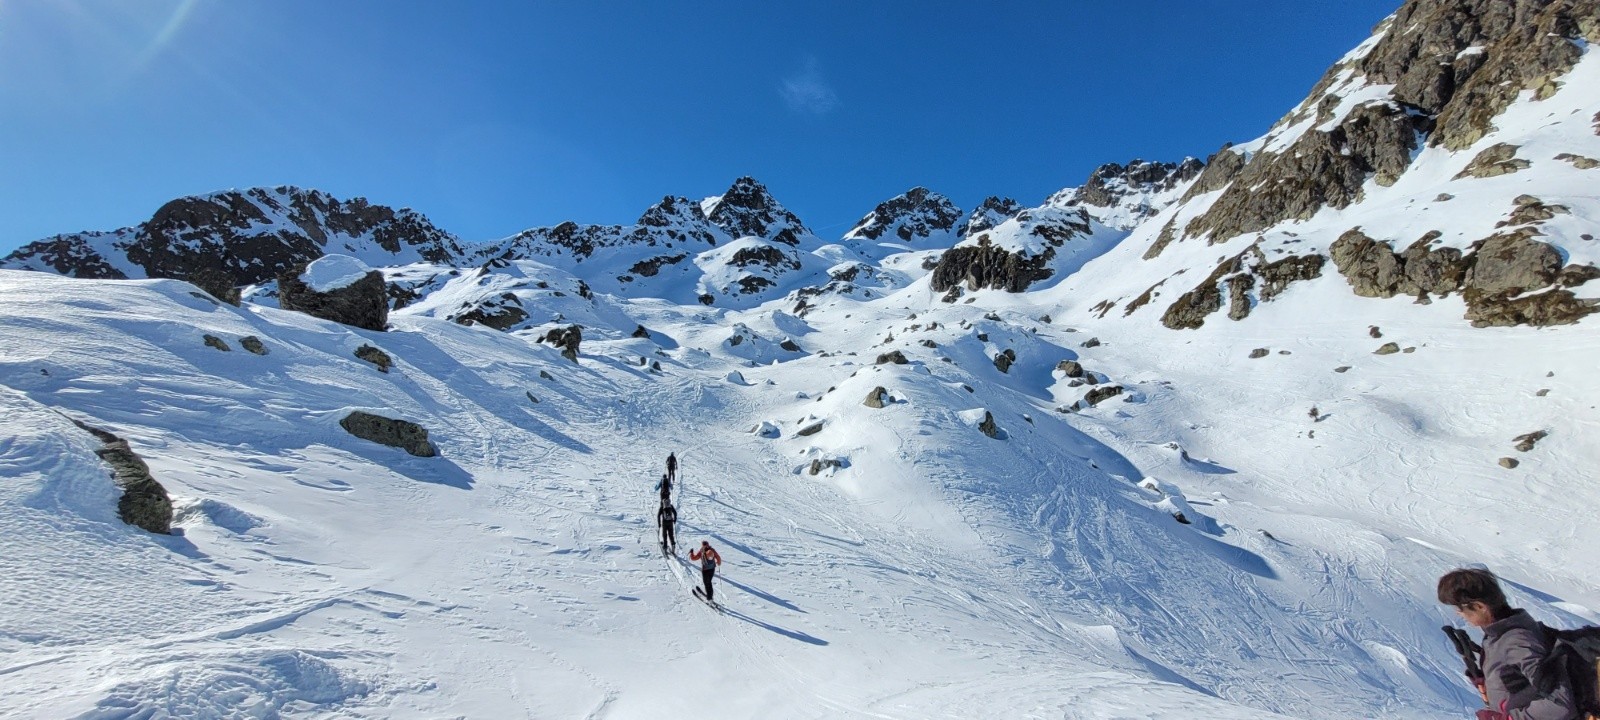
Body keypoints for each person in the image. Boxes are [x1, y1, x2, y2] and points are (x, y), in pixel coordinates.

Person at [1437, 567, 1579, 720]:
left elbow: (1561, 705)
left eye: (1460, 608)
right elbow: (1518, 685)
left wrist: (1509, 718)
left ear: (1480, 606)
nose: (1458, 613)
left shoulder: (1517, 641)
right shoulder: (1498, 635)